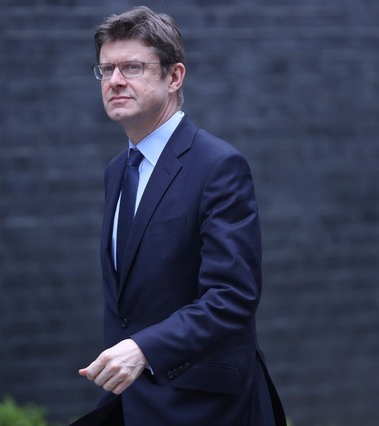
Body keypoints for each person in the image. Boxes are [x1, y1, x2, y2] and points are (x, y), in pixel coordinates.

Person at [74, 6, 285, 426]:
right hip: (135, 404)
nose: (115, 81)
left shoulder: (218, 166)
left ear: (174, 77)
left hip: (204, 408)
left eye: (132, 67)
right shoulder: (117, 171)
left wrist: (143, 349)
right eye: (106, 70)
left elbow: (232, 297)